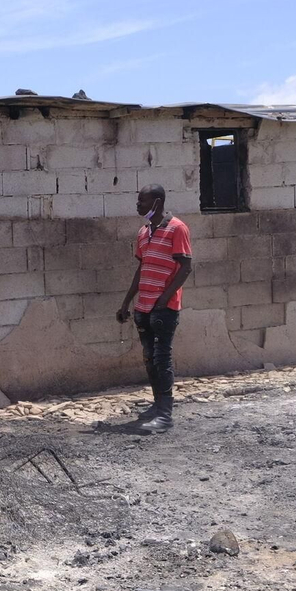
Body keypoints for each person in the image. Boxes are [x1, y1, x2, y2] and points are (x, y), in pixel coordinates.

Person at [115, 183, 193, 433]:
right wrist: (127, 302)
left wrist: (164, 299)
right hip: (144, 306)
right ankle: (158, 405)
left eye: (143, 201)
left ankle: (165, 415)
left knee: (161, 358)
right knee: (150, 359)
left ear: (157, 203)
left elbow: (185, 267)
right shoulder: (143, 231)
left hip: (163, 307)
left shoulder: (177, 228)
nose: (138, 205)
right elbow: (142, 268)